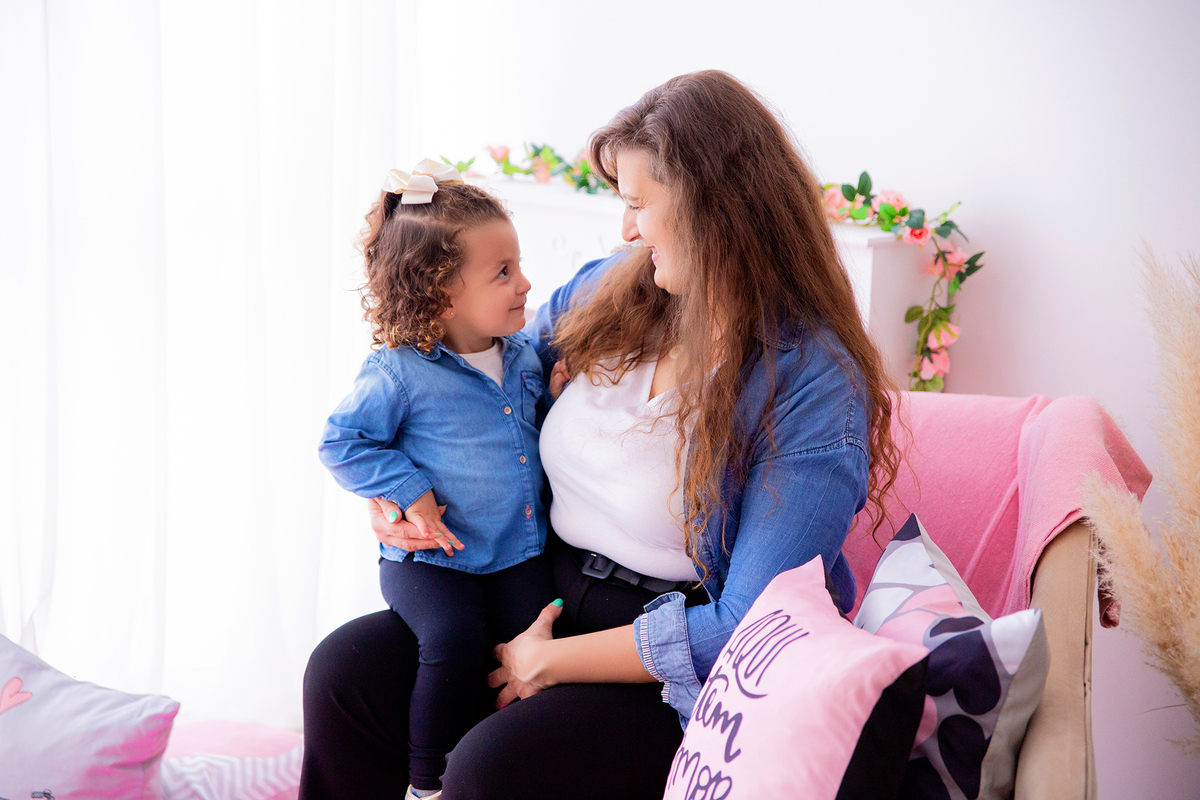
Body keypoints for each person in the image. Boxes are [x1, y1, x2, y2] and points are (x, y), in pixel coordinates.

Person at [300, 71, 902, 800]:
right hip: (528, 588)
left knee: (488, 772)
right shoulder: (602, 295)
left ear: (716, 208)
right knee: (341, 676)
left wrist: (551, 662)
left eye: (638, 204)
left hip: (660, 665)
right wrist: (396, 488)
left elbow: (749, 623)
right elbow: (471, 399)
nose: (625, 230)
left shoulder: (808, 383)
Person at [316, 159, 556, 800]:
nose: (525, 284)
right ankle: (427, 784)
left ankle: (496, 770)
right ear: (440, 294)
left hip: (515, 551)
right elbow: (342, 442)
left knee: (528, 654)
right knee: (452, 641)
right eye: (502, 273)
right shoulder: (400, 371)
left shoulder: (526, 356)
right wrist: (405, 488)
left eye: (519, 264)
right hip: (431, 560)